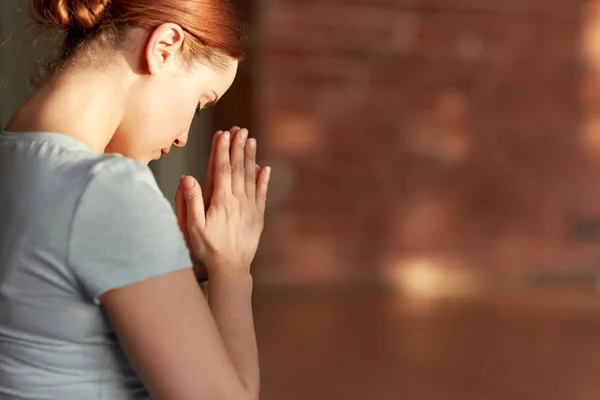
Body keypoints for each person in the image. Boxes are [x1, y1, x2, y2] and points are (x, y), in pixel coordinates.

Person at [0, 0, 270, 399]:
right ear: (164, 47)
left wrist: (175, 266)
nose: (182, 137)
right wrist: (231, 265)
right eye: (199, 104)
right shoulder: (105, 189)